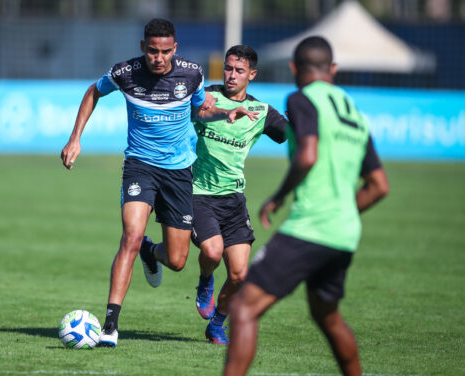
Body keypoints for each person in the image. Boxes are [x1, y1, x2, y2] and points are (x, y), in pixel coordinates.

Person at [60, 18, 257, 348]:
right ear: (143, 48)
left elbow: (199, 112)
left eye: (165, 51)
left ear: (174, 49)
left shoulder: (192, 74)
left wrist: (224, 113)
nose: (159, 57)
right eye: (152, 50)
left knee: (178, 261)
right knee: (131, 236)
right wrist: (74, 138)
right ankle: (110, 325)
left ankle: (152, 252)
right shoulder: (125, 73)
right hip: (140, 166)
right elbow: (93, 91)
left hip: (179, 173)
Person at [223, 36, 390, 376]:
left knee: (242, 310)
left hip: (310, 228)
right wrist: (342, 212)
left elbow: (307, 154)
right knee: (327, 316)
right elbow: (379, 187)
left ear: (294, 68)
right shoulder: (354, 114)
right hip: (344, 234)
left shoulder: (302, 99)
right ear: (334, 70)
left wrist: (279, 196)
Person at [190, 45, 287, 345]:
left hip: (234, 199)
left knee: (240, 275)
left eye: (239, 71)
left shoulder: (261, 111)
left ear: (252, 75)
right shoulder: (206, 96)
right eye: (228, 68)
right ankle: (206, 280)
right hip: (198, 193)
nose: (231, 75)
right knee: (212, 253)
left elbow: (288, 134)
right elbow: (183, 108)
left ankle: (217, 325)